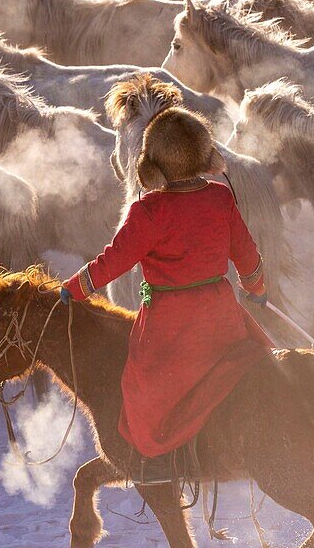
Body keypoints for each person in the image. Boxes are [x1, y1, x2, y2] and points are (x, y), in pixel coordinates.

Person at [60, 106, 270, 485]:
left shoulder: (147, 211)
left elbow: (112, 263)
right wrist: (256, 290)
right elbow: (248, 257)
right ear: (207, 157)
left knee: (140, 390)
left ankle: (156, 465)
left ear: (151, 168)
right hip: (223, 317)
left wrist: (72, 290)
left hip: (169, 326)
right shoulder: (221, 198)